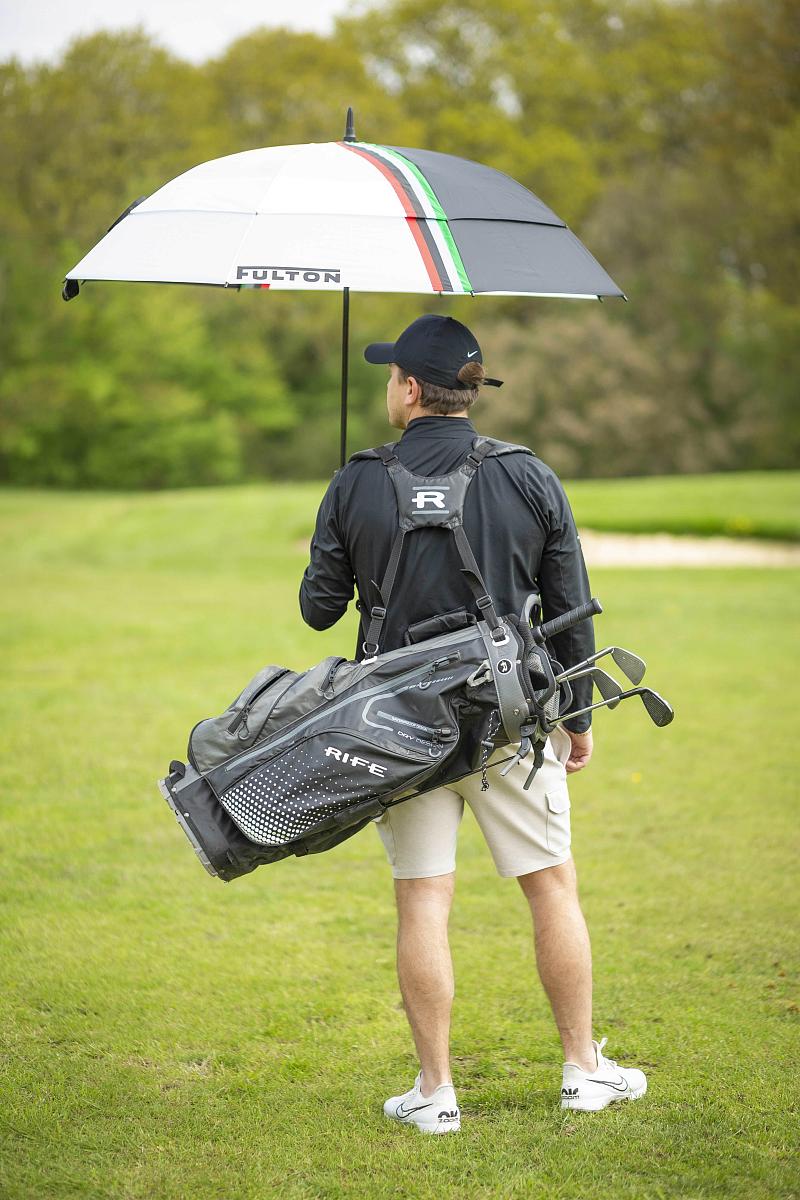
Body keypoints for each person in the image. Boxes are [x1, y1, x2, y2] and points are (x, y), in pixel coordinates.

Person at [299, 313, 646, 1133]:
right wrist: (578, 719)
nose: (389, 388)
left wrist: (342, 515)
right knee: (551, 885)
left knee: (423, 900)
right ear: (468, 392)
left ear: (412, 390)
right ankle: (582, 1071)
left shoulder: (356, 479)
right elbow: (571, 611)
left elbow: (319, 610)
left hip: (397, 729)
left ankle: (435, 1094)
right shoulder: (529, 475)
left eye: (392, 377)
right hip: (513, 724)